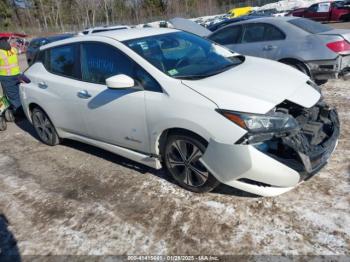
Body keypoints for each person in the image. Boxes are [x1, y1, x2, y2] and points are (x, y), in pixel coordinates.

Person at [0, 36, 21, 122]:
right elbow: (19, 51)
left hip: (6, 77)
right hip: (17, 74)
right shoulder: (13, 49)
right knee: (18, 93)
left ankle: (20, 113)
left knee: (13, 96)